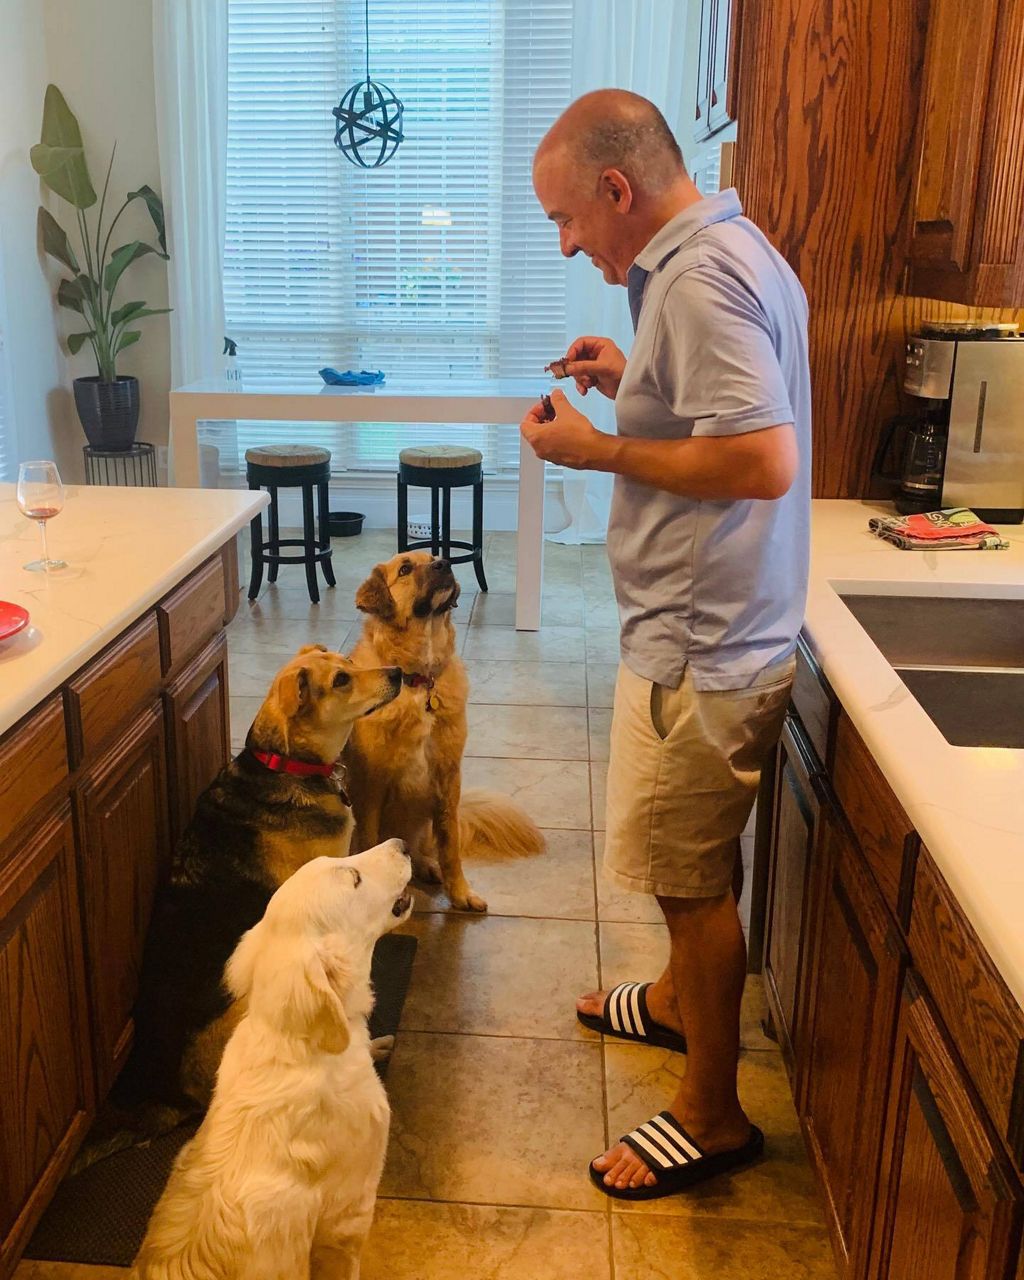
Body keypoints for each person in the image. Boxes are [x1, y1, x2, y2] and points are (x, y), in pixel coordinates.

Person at [521, 89, 811, 1202]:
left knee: (688, 880)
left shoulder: (693, 278)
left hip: (701, 643)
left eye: (569, 219)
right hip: (724, 621)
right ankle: (678, 997)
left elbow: (762, 460)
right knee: (692, 859)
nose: (567, 243)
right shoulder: (735, 251)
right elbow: (715, 415)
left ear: (616, 189)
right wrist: (630, 384)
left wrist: (596, 452)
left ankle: (711, 1109)